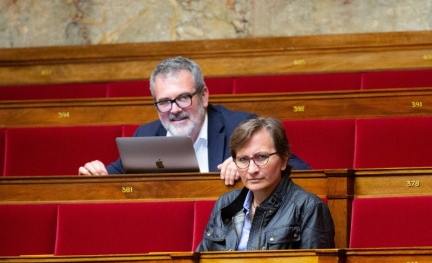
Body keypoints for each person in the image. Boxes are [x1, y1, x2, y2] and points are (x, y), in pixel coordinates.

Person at [78, 56, 310, 185]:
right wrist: (93, 175)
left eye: (183, 98)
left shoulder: (242, 128)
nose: (175, 110)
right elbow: (108, 178)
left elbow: (303, 172)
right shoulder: (146, 136)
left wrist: (251, 166)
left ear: (204, 95)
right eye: (165, 102)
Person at [197, 117, 334, 251]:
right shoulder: (225, 203)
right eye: (243, 159)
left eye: (262, 157)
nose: (252, 170)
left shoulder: (309, 208)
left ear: (284, 160)